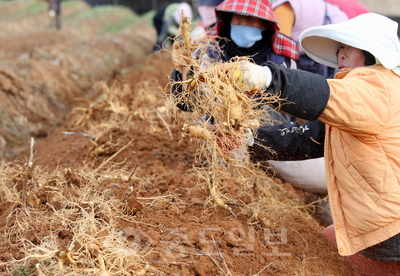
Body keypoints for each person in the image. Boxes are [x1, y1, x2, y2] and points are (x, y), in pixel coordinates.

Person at [218, 13, 400, 274]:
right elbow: (308, 137)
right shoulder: (360, 102)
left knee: (332, 244)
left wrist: (267, 79)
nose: (341, 55)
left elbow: (322, 93)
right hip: (383, 225)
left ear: (373, 54)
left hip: (392, 228)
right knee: (329, 238)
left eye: (348, 48)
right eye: (339, 49)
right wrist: (249, 140)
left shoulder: (378, 87)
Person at [171, 0, 299, 127]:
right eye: (238, 16)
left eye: (252, 17)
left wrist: (253, 124)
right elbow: (188, 104)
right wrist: (183, 70)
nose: (243, 22)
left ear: (265, 23)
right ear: (229, 18)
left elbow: (290, 109)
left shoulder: (281, 58)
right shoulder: (209, 52)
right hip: (218, 132)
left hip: (268, 136)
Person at [272, 0, 348, 78]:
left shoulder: (284, 8)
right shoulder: (338, 14)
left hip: (308, 60)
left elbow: (280, 46)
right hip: (325, 58)